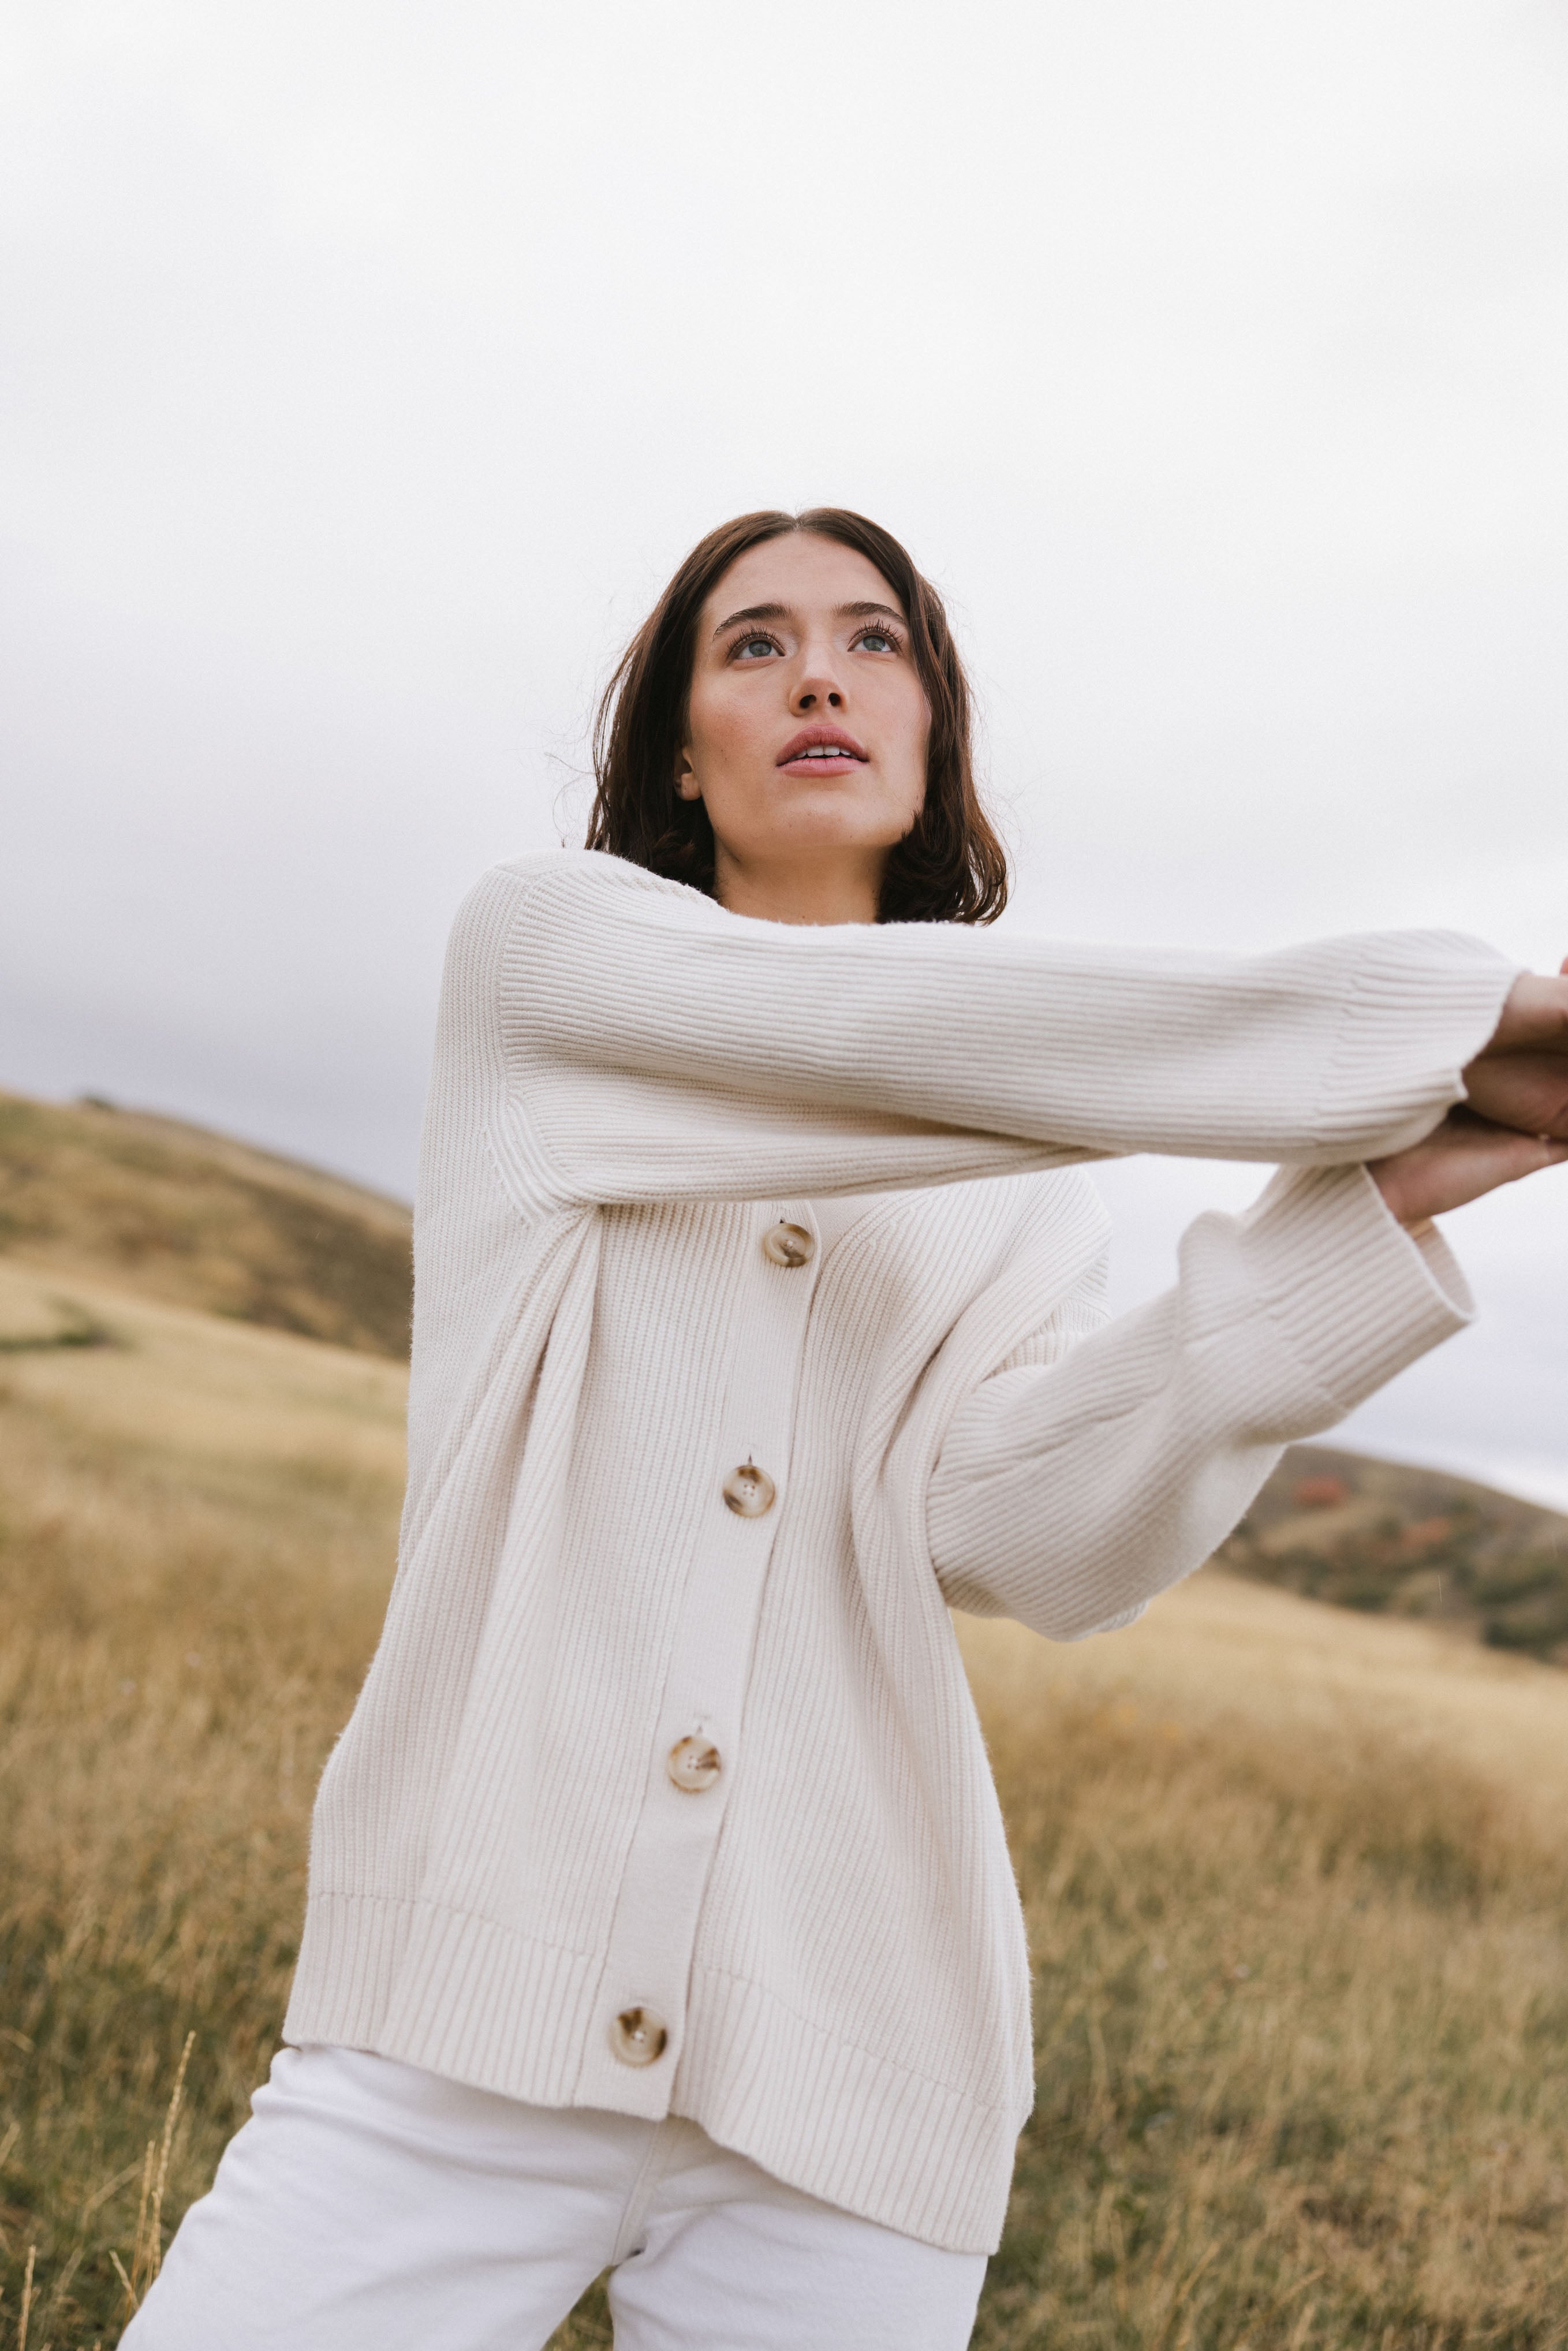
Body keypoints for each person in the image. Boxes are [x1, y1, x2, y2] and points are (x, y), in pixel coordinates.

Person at [126, 510, 1568, 2350]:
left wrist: (1357, 1225)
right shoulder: (548, 968)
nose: (818, 671)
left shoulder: (1029, 1191)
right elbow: (855, 1039)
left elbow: (1020, 1546)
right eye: (754, 645)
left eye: (873, 640)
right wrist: (1455, 1023)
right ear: (675, 745)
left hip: (858, 2074)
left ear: (928, 733)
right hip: (450, 2036)